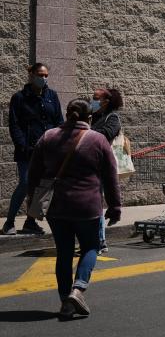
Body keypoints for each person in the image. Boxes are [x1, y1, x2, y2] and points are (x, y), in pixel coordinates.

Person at [26, 98, 121, 319]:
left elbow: (33, 174)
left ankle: (65, 303)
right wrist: (115, 206)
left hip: (56, 207)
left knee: (64, 253)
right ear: (90, 118)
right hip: (87, 207)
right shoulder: (98, 140)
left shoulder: (48, 137)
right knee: (90, 247)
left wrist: (32, 201)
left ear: (66, 114)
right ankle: (78, 290)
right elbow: (111, 177)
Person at [3, 63, 64, 236]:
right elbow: (14, 125)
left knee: (43, 186)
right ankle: (9, 222)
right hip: (27, 150)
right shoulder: (20, 97)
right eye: (40, 75)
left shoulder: (52, 95)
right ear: (31, 75)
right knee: (25, 183)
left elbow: (58, 121)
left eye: (46, 75)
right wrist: (23, 145)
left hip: (49, 150)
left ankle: (30, 222)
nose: (43, 78)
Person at [90, 88, 123, 254]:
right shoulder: (94, 116)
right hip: (92, 164)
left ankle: (101, 240)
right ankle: (98, 239)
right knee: (94, 202)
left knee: (97, 203)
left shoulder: (113, 119)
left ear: (106, 101)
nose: (93, 101)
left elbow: (106, 134)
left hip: (102, 165)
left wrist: (86, 131)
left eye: (97, 98)